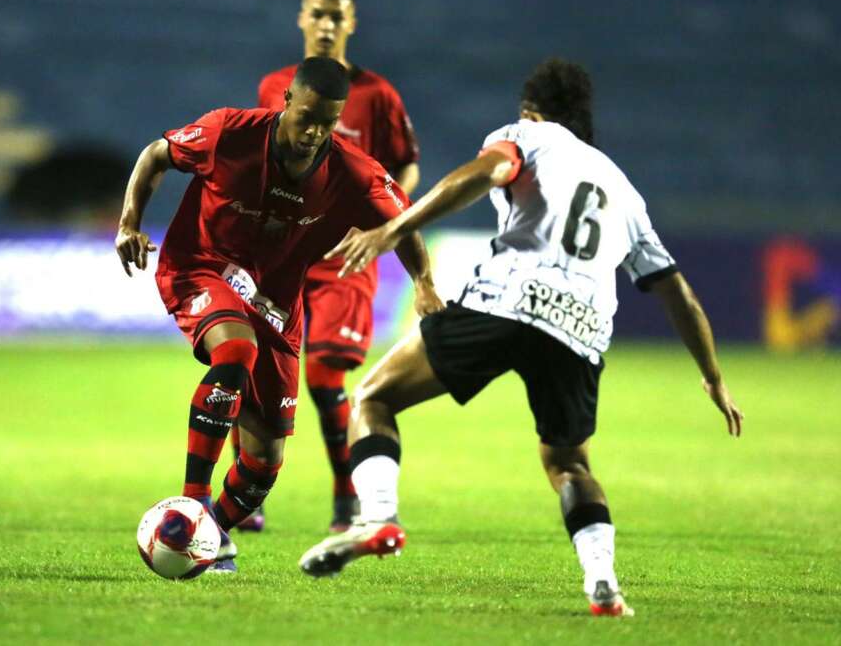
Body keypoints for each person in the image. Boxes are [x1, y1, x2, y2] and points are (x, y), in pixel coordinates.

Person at [298, 58, 744, 616]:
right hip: (581, 328)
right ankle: (603, 583)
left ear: (532, 111)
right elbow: (678, 294)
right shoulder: (626, 194)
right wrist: (712, 376)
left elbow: (485, 172)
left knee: (374, 398)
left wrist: (394, 228)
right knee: (569, 465)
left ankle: (378, 519)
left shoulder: (526, 135)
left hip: (508, 299)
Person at [115, 57, 441, 574]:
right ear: (286, 100)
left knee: (263, 467)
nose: (315, 132)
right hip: (199, 268)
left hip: (275, 305)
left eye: (328, 122)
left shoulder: (352, 172)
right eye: (307, 116)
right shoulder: (229, 132)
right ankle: (193, 504)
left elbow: (403, 221)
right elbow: (157, 155)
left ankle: (209, 534)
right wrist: (129, 222)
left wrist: (424, 285)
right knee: (235, 349)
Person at [235, 0, 421, 533]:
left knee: (322, 375)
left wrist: (388, 216)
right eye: (317, 14)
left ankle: (348, 497)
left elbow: (405, 164)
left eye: (337, 17)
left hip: (346, 253)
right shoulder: (274, 87)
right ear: (301, 18)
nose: (326, 25)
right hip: (282, 252)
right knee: (248, 365)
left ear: (351, 25)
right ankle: (247, 494)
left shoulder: (378, 94)